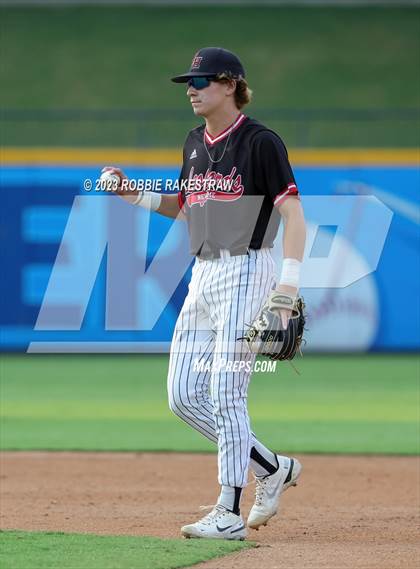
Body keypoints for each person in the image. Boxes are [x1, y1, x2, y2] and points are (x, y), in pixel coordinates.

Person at [103, 47, 306, 541]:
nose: (192, 89)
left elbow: (294, 216)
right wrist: (135, 195)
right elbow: (190, 209)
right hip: (205, 273)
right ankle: (271, 467)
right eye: (189, 82)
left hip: (248, 270)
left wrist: (287, 287)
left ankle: (228, 512)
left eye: (201, 80)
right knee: (182, 395)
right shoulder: (194, 141)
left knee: (225, 391)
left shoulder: (260, 142)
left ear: (231, 83)